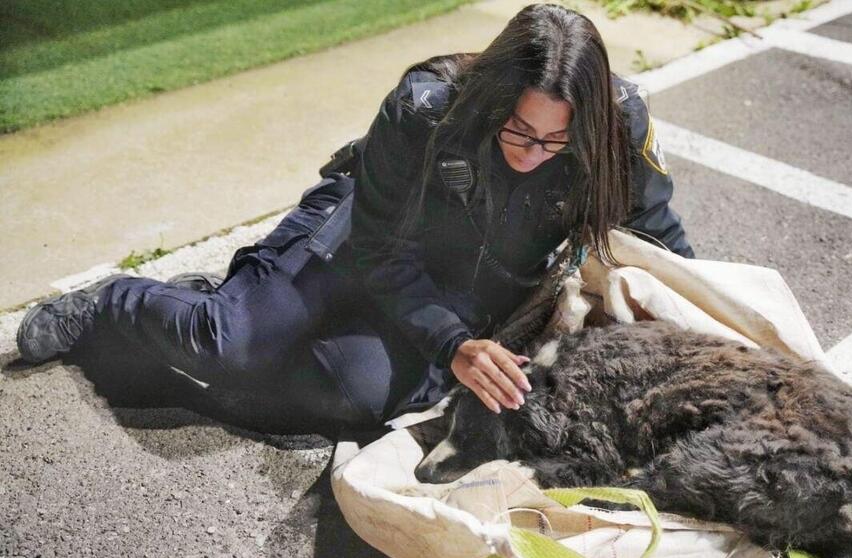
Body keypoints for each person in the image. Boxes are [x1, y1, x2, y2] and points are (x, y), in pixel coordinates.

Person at [16, 3, 694, 438]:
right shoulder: (427, 109)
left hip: (462, 281)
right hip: (363, 233)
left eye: (555, 144)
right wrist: (453, 344)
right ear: (490, 101)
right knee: (230, 345)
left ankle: (238, 306)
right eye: (517, 132)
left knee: (353, 396)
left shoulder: (618, 127)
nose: (531, 156)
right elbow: (381, 249)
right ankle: (115, 303)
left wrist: (722, 344)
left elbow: (668, 251)